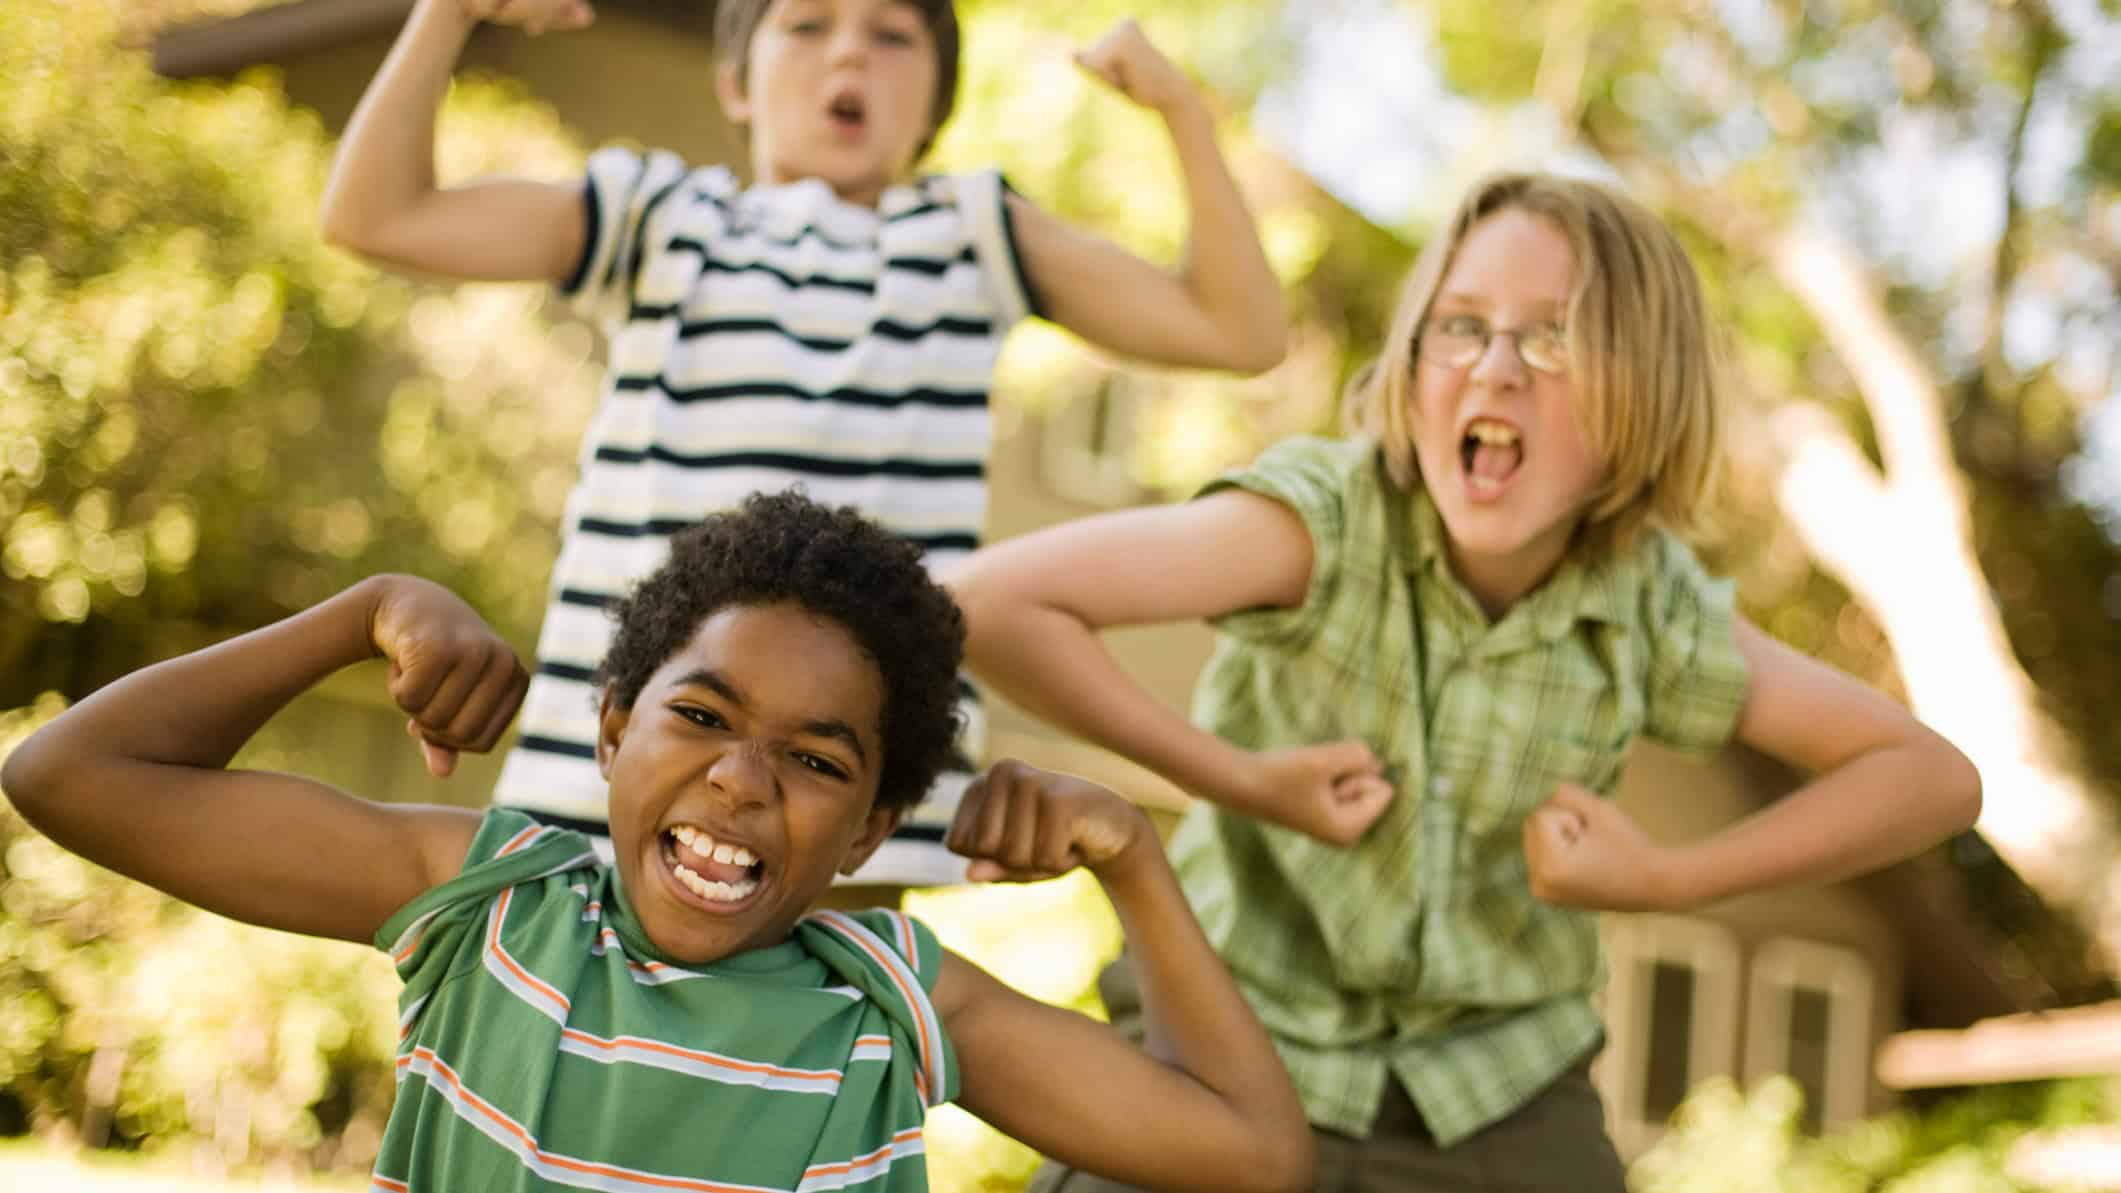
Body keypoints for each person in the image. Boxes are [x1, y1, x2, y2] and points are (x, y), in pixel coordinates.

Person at [944, 172, 1984, 1192]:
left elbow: (1928, 776)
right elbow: (991, 604)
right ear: (1412, 362)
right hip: (1226, 1042)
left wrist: (1664, 878)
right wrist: (1242, 777)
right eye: (1461, 325)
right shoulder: (1327, 523)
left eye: (1554, 335)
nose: (1495, 368)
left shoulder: (1647, 608)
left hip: (1498, 1094)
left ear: (1645, 393)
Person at [1, 491, 1314, 1193]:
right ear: (614, 730)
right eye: (701, 716)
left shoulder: (890, 997)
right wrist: (362, 612)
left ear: (868, 830)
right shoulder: (489, 904)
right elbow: (70, 776)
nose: (742, 780)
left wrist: (1133, 855)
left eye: (815, 759)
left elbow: (1255, 1154)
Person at [319, 0, 1286, 887]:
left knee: (806, 1069)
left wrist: (1179, 110)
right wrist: (447, 12)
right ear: (736, 82)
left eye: (892, 34)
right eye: (808, 24)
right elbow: (374, 215)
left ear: (933, 105)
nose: (851, 49)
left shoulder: (971, 236)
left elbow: (1237, 332)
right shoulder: (661, 218)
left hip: (852, 828)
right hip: (602, 793)